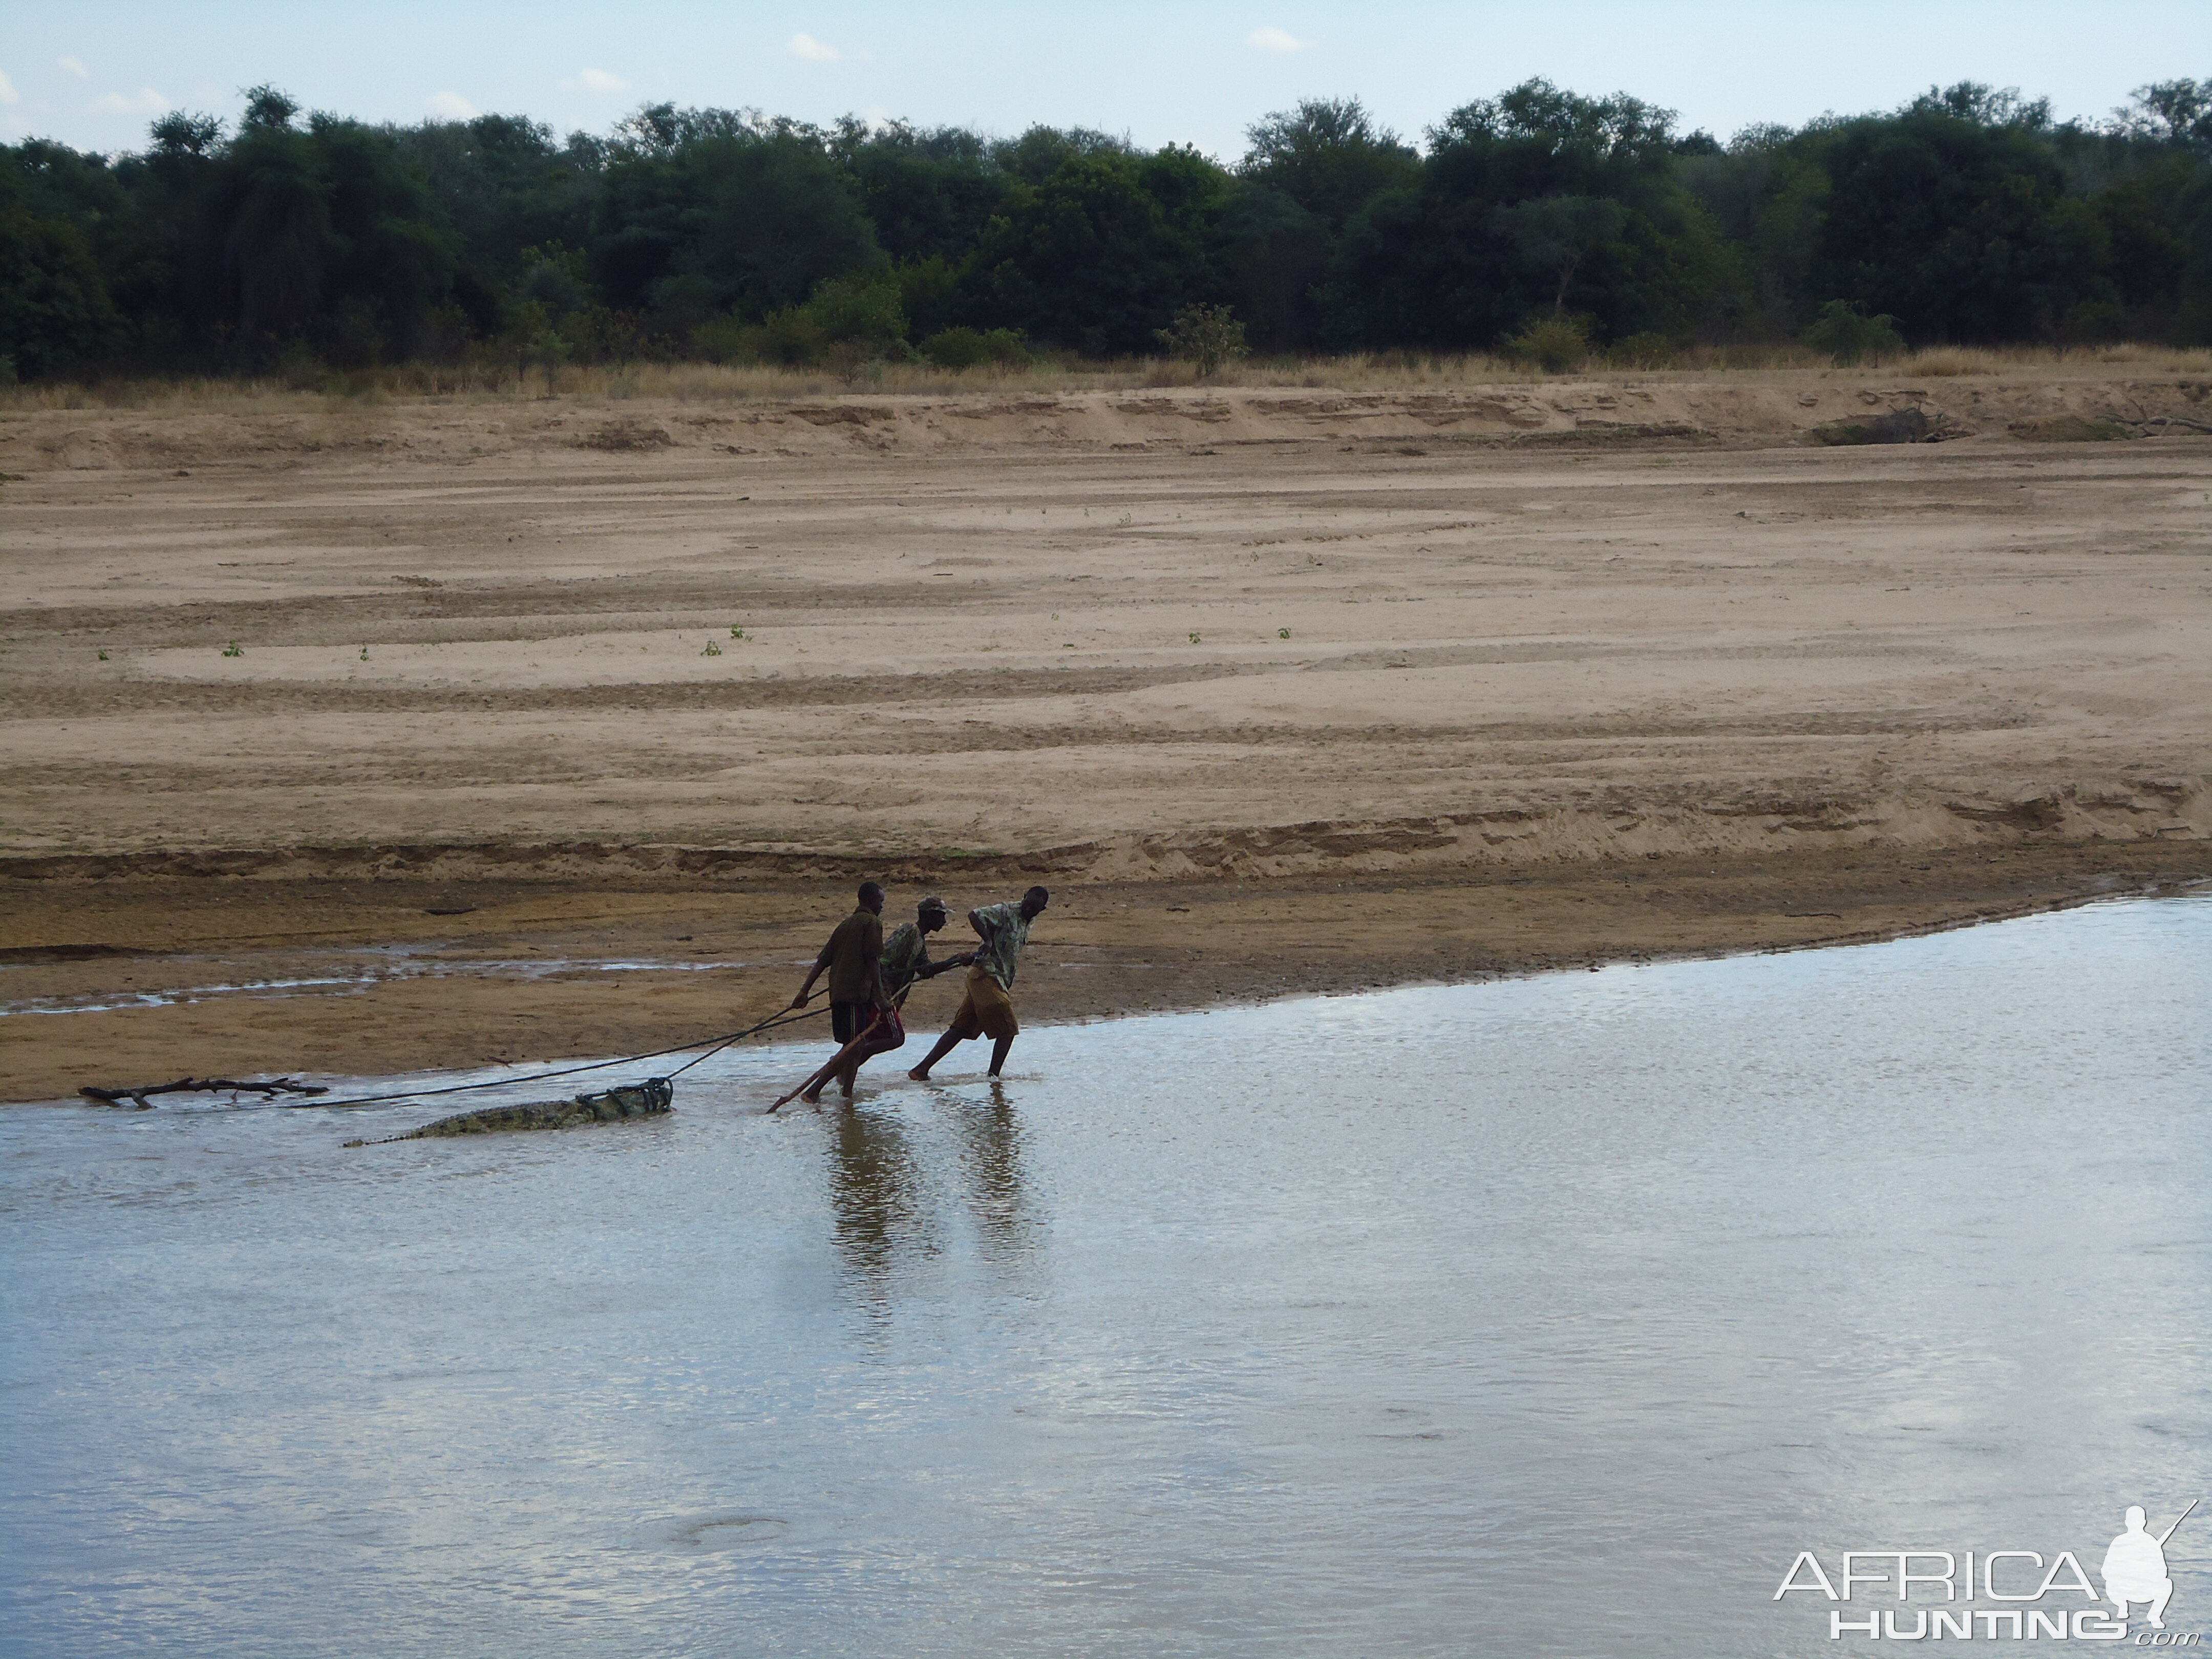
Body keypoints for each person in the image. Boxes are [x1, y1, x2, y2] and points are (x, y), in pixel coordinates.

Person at [908, 885, 1049, 1082]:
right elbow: (975, 915)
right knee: (1008, 1028)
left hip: (997, 980)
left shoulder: (1029, 920)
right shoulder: (1006, 911)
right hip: (986, 976)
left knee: (961, 1029)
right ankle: (994, 1080)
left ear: (1041, 910)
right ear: (1023, 897)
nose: (1028, 909)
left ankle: (920, 1070)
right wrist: (988, 940)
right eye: (1027, 904)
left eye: (1033, 908)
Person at [790, 880, 891, 1103]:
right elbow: (872, 960)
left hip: (838, 995)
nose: (882, 906)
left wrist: (804, 992)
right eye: (881, 901)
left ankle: (847, 1095)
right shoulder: (871, 923)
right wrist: (880, 996)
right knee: (853, 1046)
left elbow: (822, 961)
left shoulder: (844, 926)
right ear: (869, 900)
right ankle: (814, 1092)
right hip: (855, 995)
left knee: (855, 1045)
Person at [880, 895, 973, 1001]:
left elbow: (927, 970)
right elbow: (882, 961)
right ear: (929, 915)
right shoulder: (908, 932)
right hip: (882, 997)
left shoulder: (919, 938)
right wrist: (880, 994)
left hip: (891, 997)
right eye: (940, 916)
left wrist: (957, 959)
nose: (944, 921)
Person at [2102, 1505, 2179, 1628]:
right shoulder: (2119, 1542)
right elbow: (2106, 1571)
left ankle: (2154, 1615)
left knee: (2167, 1584)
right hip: (2123, 1589)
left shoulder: (2151, 1542)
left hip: (2145, 1590)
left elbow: (2162, 1572)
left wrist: (2145, 1572)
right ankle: (2122, 1606)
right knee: (2110, 1583)